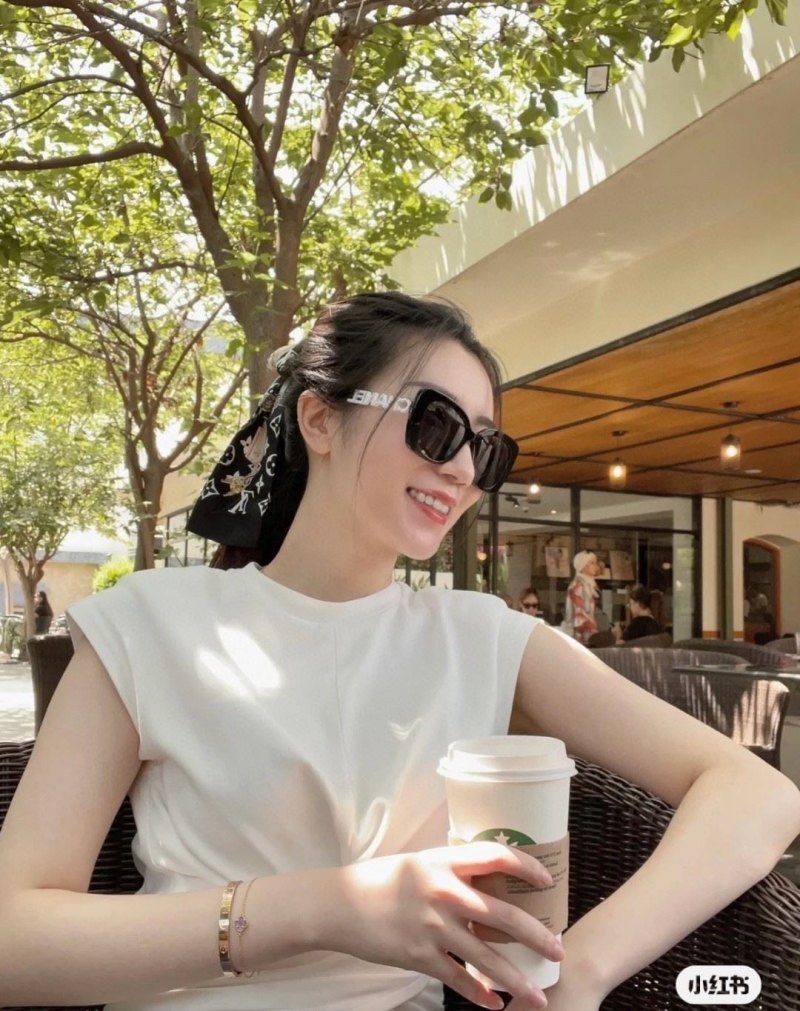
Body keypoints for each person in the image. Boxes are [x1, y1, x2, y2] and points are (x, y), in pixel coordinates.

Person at [1, 293, 798, 1011]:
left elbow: (757, 793)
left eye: (486, 450)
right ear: (320, 419)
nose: (462, 470)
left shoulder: (483, 636)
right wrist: (325, 907)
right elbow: (13, 942)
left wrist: (582, 968)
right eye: (435, 425)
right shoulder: (147, 624)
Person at [564, 551, 600, 644]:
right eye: (592, 563)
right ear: (583, 566)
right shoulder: (578, 586)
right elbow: (579, 616)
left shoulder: (587, 585)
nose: (595, 566)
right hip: (581, 637)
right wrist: (593, 632)